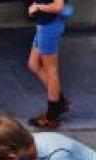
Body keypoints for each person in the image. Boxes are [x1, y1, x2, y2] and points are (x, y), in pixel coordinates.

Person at [27, 0, 70, 128]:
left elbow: (58, 6)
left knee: (51, 70)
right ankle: (59, 101)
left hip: (50, 27)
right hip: (44, 25)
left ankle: (52, 116)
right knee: (33, 64)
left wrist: (38, 7)